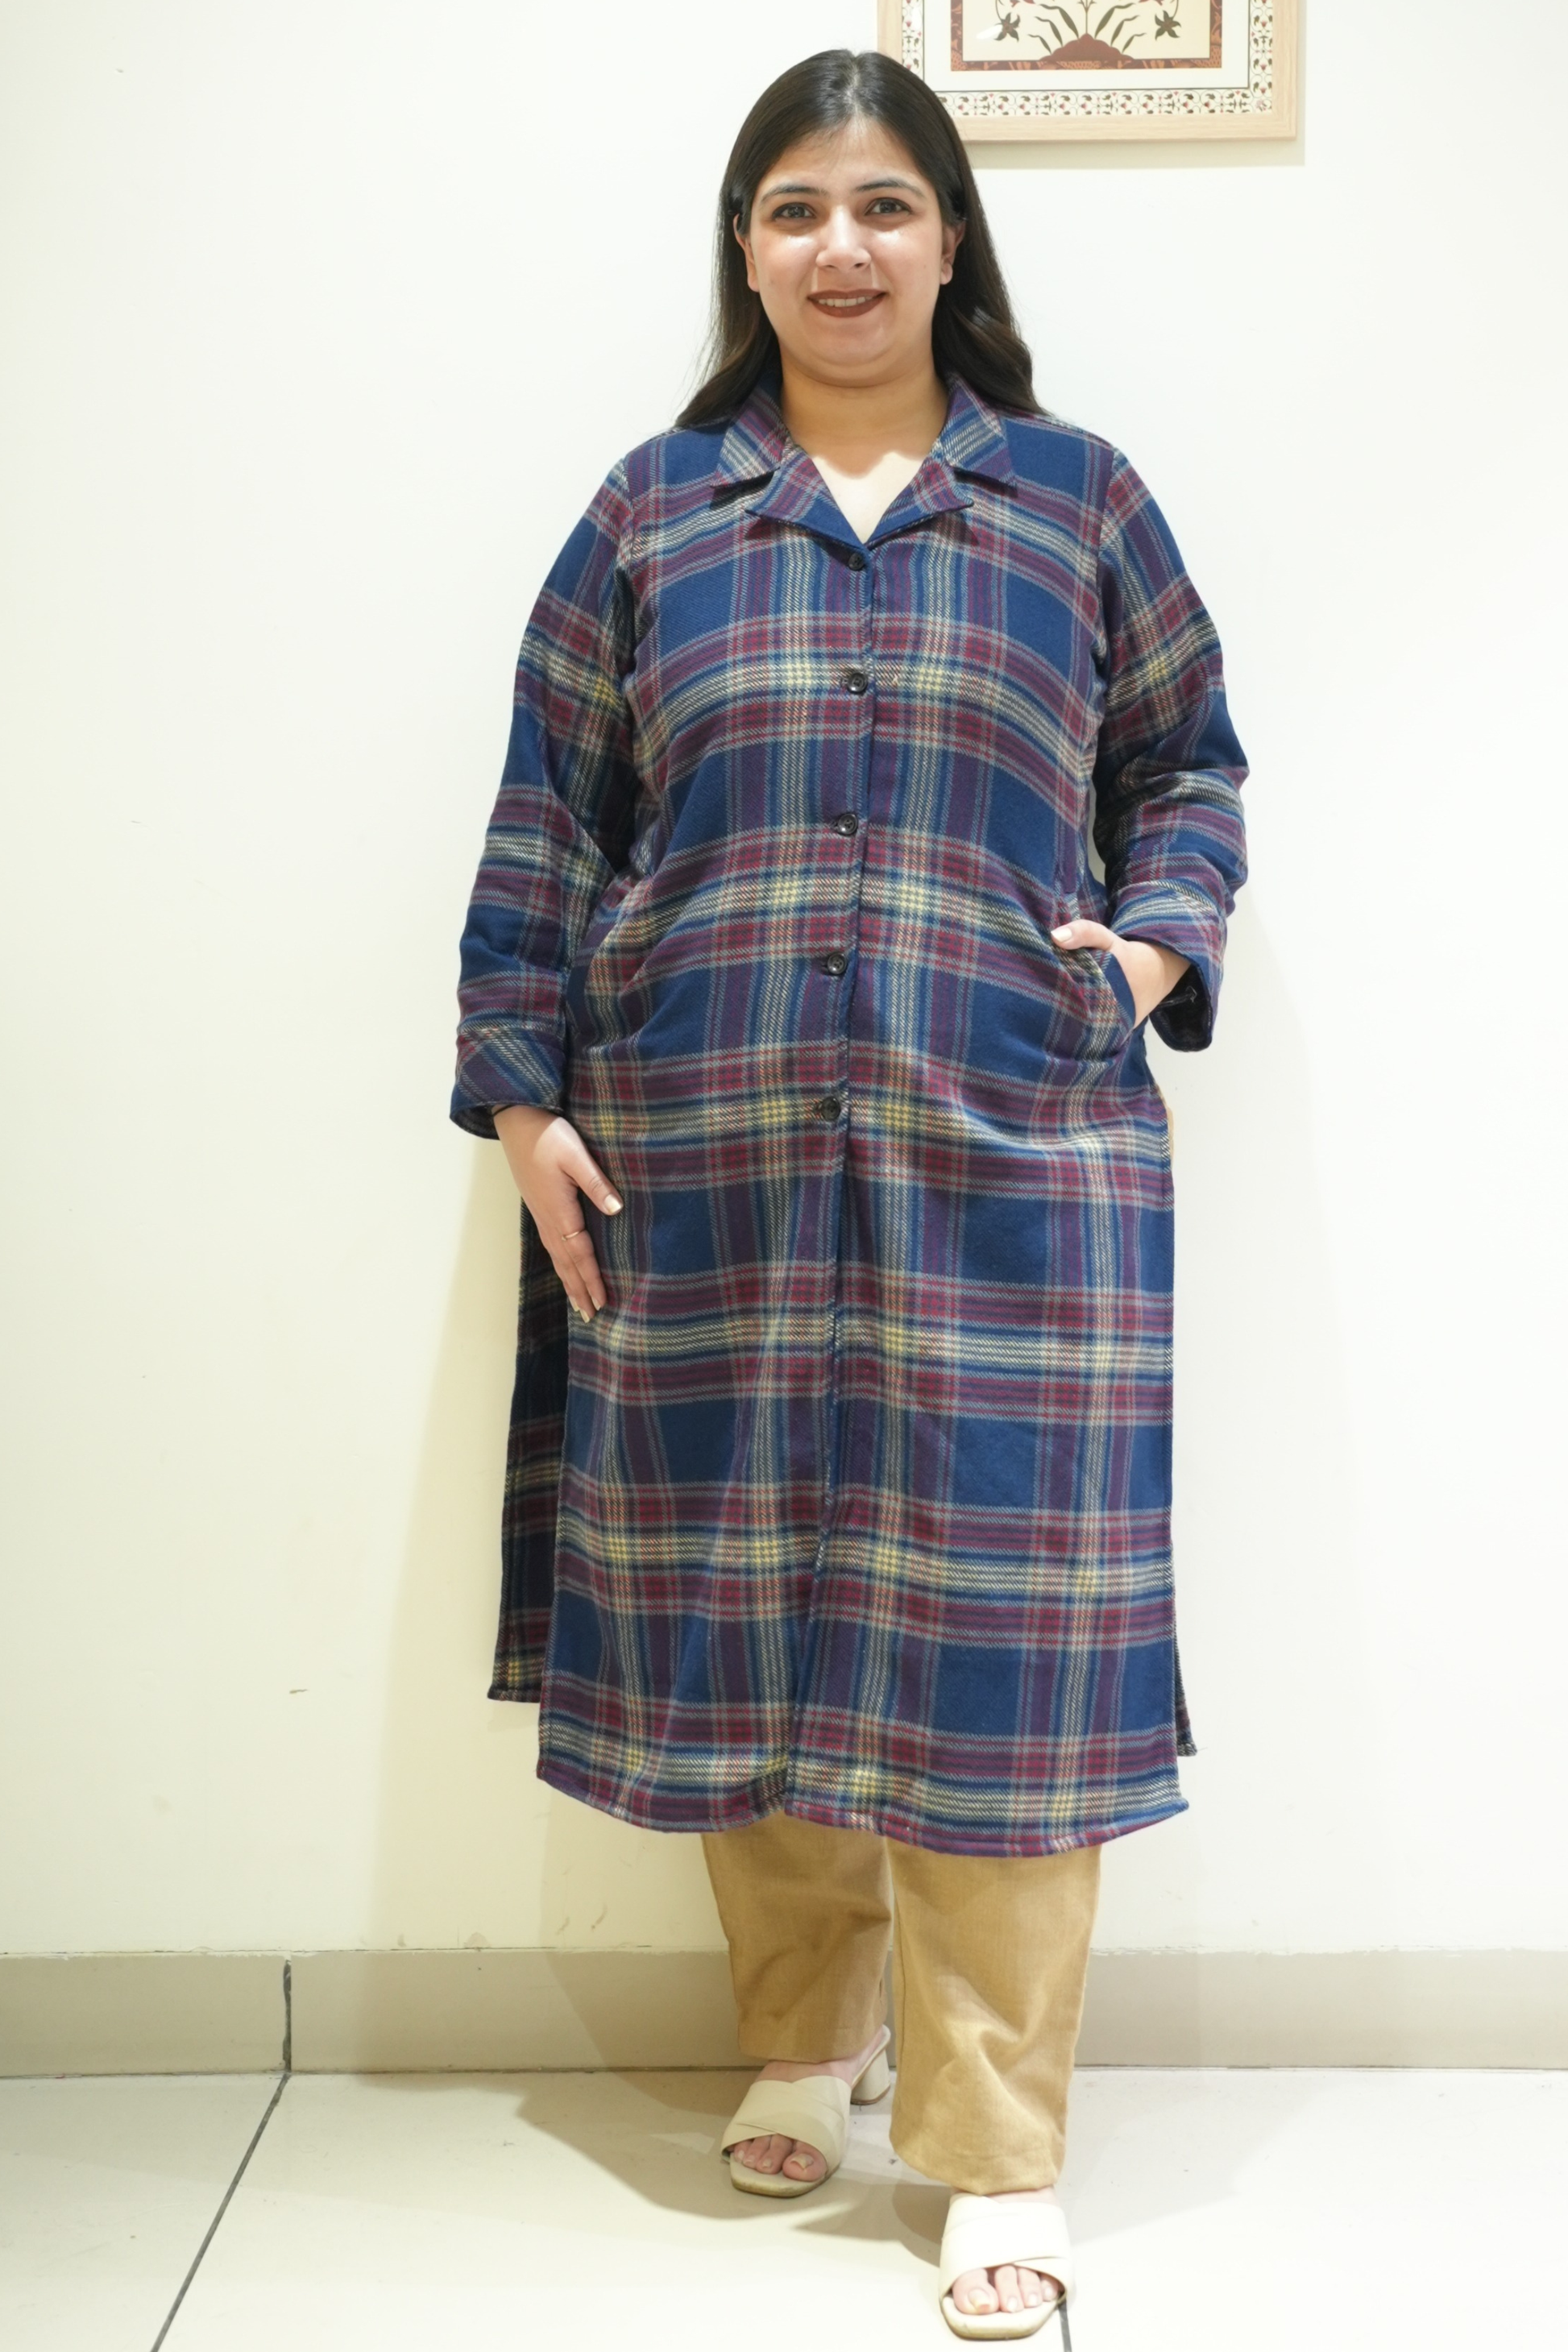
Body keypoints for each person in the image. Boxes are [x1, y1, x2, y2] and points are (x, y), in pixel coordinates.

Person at [451, 46, 1247, 2341]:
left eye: (886, 203)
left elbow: (1190, 764)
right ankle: (808, 2034)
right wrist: (523, 1097)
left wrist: (1148, 947)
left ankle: (996, 2144)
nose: (843, 246)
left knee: (1004, 1652)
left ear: (951, 236)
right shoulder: (656, 511)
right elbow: (547, 814)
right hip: (700, 1147)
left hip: (1015, 1146)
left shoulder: (1075, 499)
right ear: (747, 247)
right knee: (760, 1599)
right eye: (797, 206)